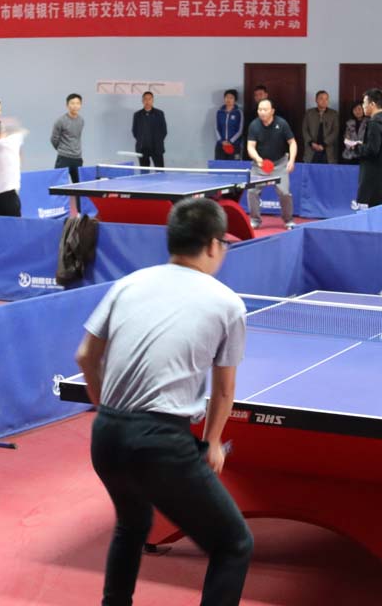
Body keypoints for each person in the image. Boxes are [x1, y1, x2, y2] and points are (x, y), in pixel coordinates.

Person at [74, 198, 254, 606]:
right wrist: (212, 442)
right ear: (213, 245)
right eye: (224, 244)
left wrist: (107, 409)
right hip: (159, 443)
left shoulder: (128, 284)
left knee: (132, 523)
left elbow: (85, 356)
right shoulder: (228, 303)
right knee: (234, 543)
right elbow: (223, 390)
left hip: (107, 436)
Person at [246, 98, 298, 230]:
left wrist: (291, 160)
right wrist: (258, 159)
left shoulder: (282, 123)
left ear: (272, 111)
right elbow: (250, 146)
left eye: (265, 109)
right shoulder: (254, 125)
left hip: (280, 164)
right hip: (260, 165)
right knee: (252, 191)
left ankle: (288, 220)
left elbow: (292, 143)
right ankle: (255, 220)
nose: (262, 112)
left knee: (285, 193)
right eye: (260, 109)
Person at [50, 93, 85, 183]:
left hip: (77, 159)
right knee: (59, 185)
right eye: (72, 103)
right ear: (67, 105)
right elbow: (54, 139)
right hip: (64, 158)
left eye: (77, 103)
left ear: (80, 105)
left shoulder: (81, 120)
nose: (75, 106)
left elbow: (77, 137)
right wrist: (62, 149)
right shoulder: (60, 121)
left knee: (79, 185)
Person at [301, 90, 339, 164]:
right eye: (321, 98)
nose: (324, 101)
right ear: (316, 100)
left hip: (327, 149)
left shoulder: (333, 114)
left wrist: (324, 144)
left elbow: (335, 131)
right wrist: (311, 143)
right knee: (311, 169)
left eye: (326, 99)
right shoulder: (309, 113)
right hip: (311, 149)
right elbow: (304, 130)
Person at [132, 91, 167, 168]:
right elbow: (134, 131)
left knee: (160, 172)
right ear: (142, 101)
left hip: (157, 148)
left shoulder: (159, 114)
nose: (147, 101)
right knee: (144, 172)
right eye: (145, 99)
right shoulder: (137, 115)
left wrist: (158, 141)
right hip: (142, 149)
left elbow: (164, 131)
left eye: (149, 99)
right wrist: (142, 140)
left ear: (152, 100)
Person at [214, 89, 243, 161]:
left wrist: (231, 141)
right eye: (226, 97)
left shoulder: (238, 112)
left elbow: (240, 130)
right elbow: (216, 128)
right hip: (221, 145)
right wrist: (221, 141)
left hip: (235, 145)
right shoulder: (219, 112)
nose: (228, 99)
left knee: (234, 166)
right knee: (219, 166)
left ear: (235, 100)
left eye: (231, 98)